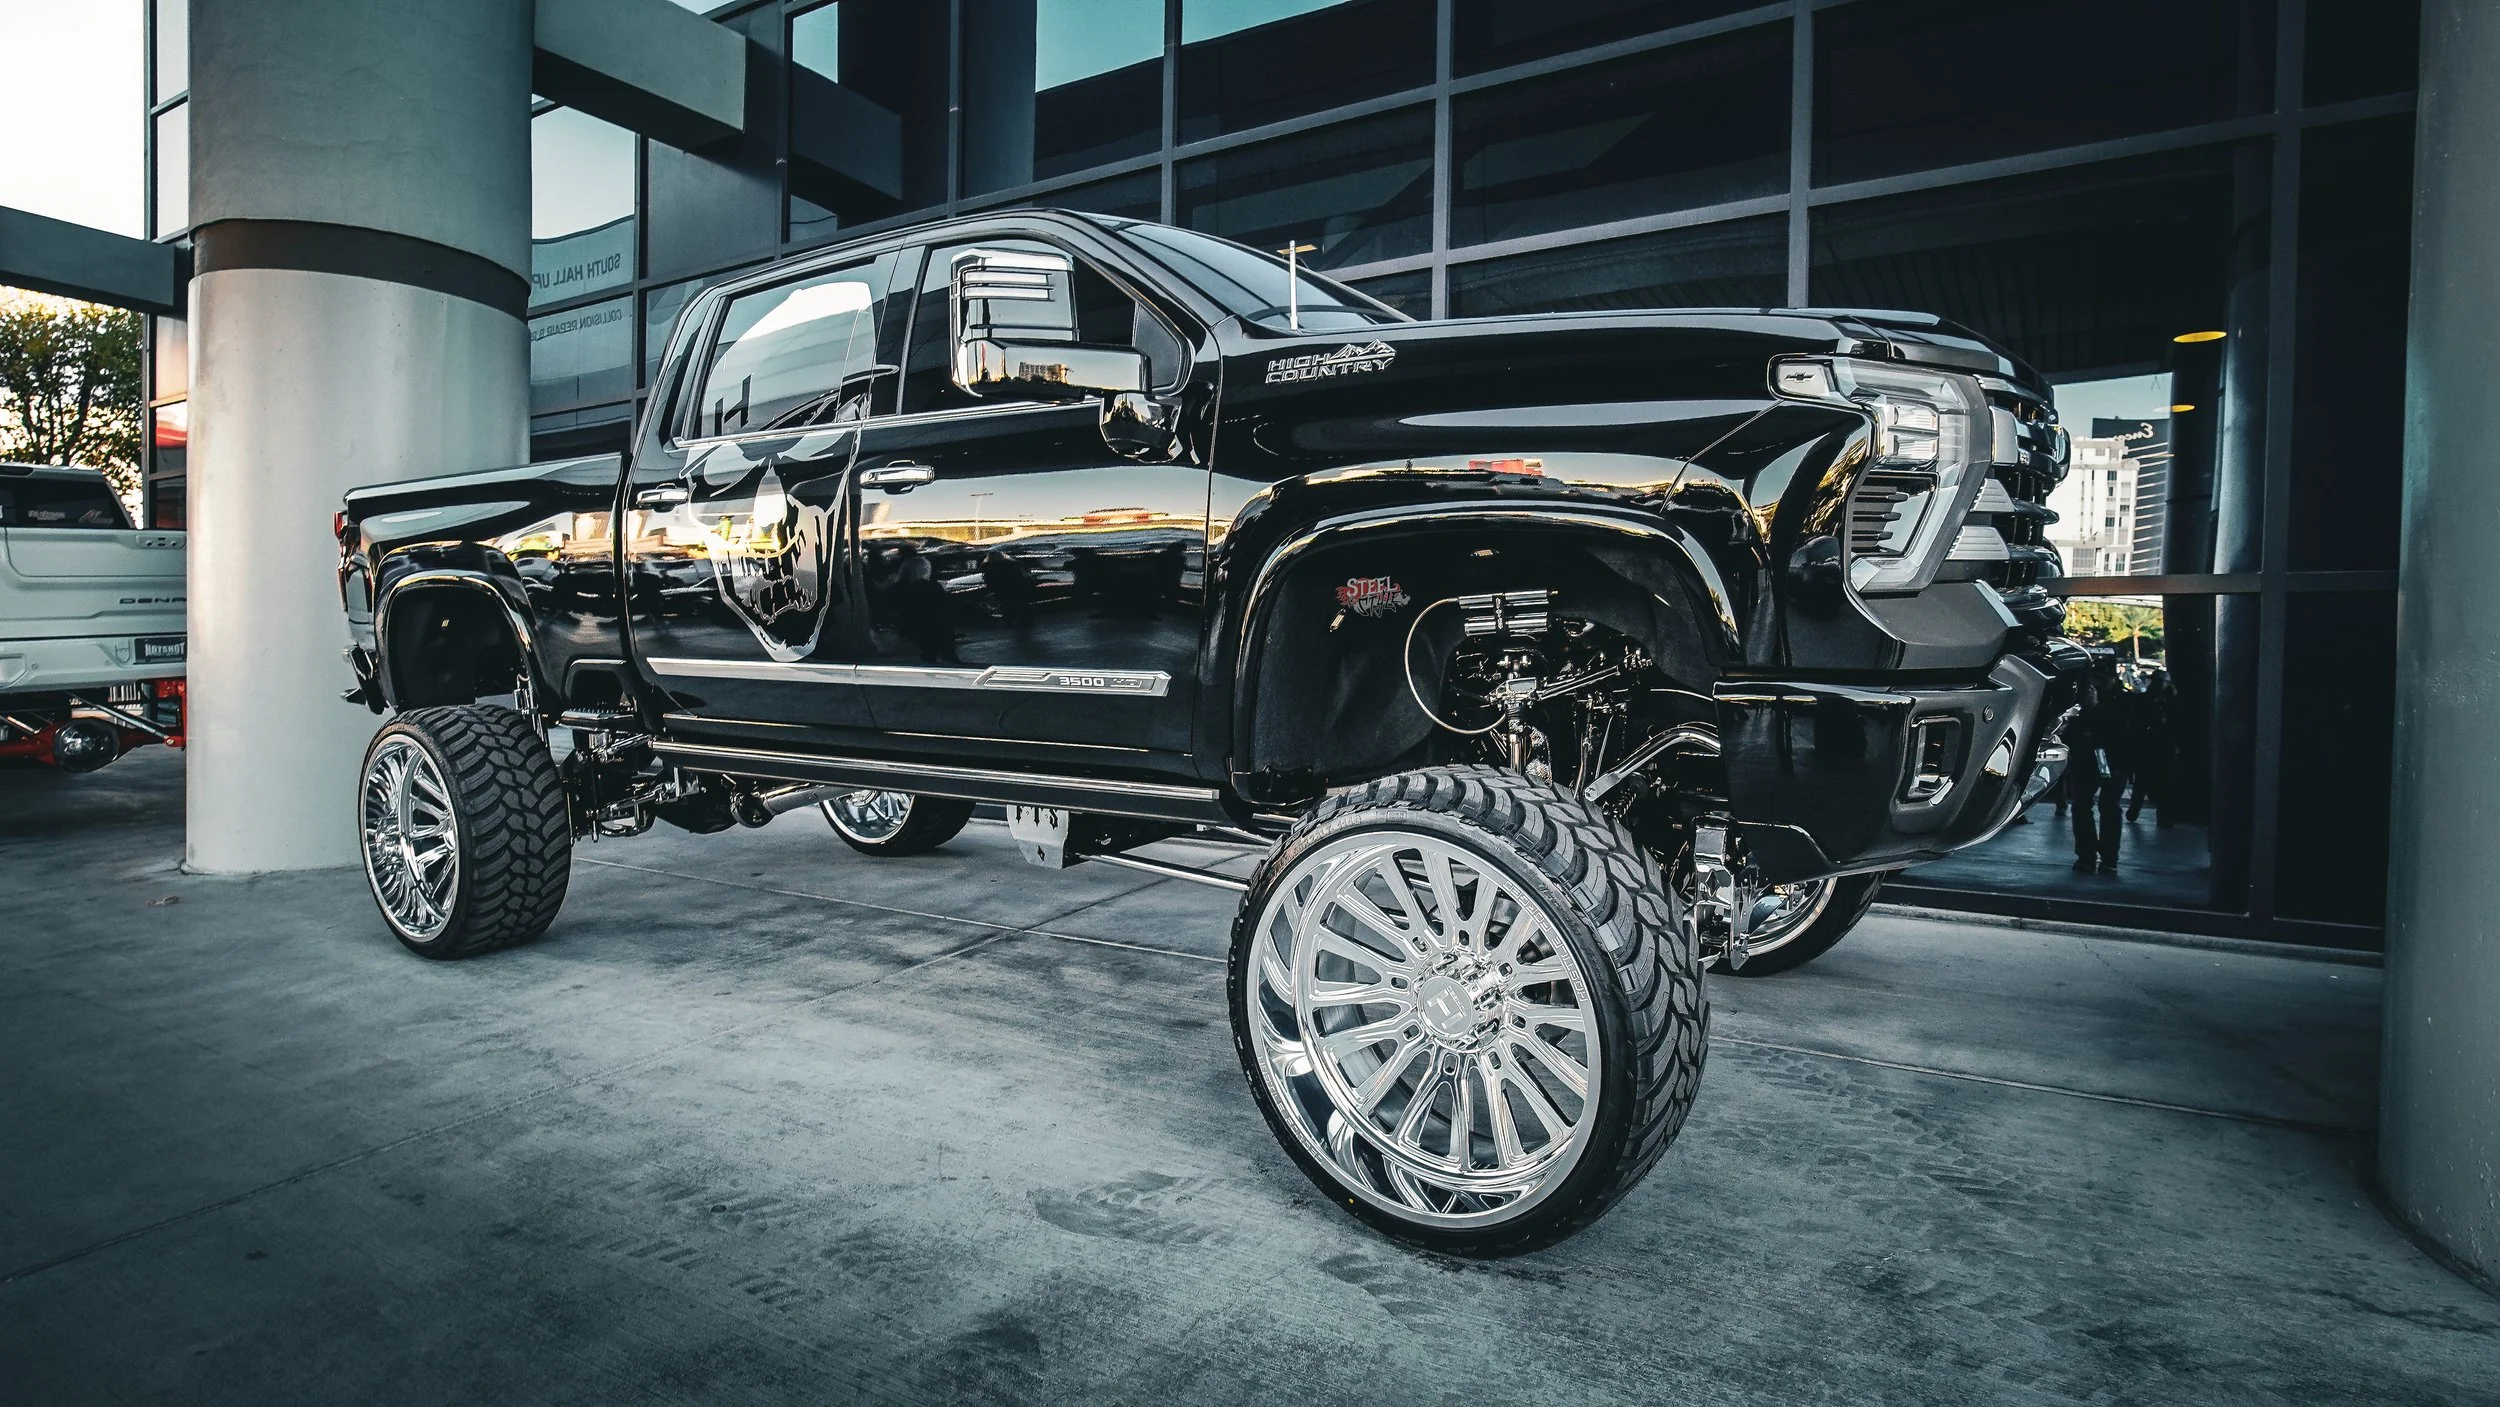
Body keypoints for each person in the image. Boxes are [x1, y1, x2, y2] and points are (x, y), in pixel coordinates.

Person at [2064, 653, 2128, 875]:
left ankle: (2109, 858)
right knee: (2081, 806)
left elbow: (2121, 729)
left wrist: (2095, 708)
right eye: (2095, 678)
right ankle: (2086, 856)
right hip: (2087, 759)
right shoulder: (2082, 699)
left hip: (2114, 759)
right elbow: (2073, 729)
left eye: (2103, 678)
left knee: (2109, 807)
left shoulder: (2123, 701)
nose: (2098, 683)